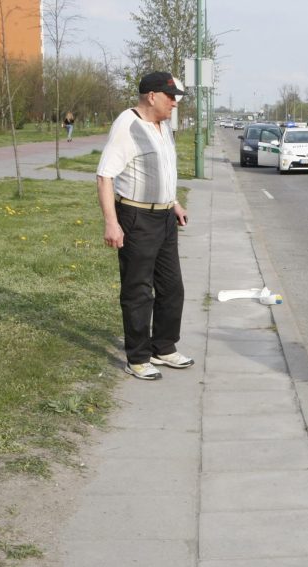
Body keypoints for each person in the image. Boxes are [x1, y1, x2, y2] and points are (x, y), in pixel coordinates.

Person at [96, 71, 193, 381]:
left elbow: (161, 170)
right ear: (152, 96)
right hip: (136, 218)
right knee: (138, 291)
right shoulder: (127, 126)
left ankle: (163, 347)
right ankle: (137, 358)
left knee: (172, 287)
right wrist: (112, 223)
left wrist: (174, 202)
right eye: (171, 97)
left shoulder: (162, 127)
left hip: (164, 217)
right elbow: (105, 176)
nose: (175, 104)